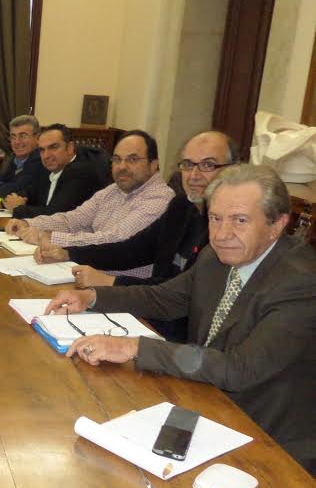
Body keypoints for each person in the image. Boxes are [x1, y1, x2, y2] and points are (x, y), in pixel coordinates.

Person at [46, 164, 316, 474]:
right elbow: (164, 298)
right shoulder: (217, 256)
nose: (222, 234)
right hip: (208, 401)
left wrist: (133, 347)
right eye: (215, 218)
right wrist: (93, 297)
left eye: (240, 220)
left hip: (270, 439)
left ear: (277, 224)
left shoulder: (300, 282)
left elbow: (240, 369)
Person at [34, 131, 236, 341]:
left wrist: (111, 282)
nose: (194, 175)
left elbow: (178, 295)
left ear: (233, 170)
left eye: (208, 165)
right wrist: (68, 253)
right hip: (148, 316)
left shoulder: (223, 231)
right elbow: (133, 249)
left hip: (176, 333)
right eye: (187, 164)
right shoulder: (181, 206)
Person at [6, 129, 175, 278]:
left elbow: (116, 239)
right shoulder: (114, 190)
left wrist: (52, 238)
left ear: (154, 164)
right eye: (117, 159)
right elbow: (73, 219)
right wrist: (29, 223)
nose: (122, 166)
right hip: (86, 273)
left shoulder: (160, 198)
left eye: (132, 159)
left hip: (123, 287)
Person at [3, 123, 102, 218]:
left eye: (53, 147)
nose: (46, 156)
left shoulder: (83, 173)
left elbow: (56, 216)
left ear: (70, 148)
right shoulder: (48, 169)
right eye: (42, 150)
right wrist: (12, 200)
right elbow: (28, 193)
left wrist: (18, 208)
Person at [0, 115, 46, 196]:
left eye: (22, 136)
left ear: (37, 138)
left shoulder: (40, 159)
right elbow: (1, 179)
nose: (17, 142)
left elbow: (14, 189)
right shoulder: (15, 159)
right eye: (13, 137)